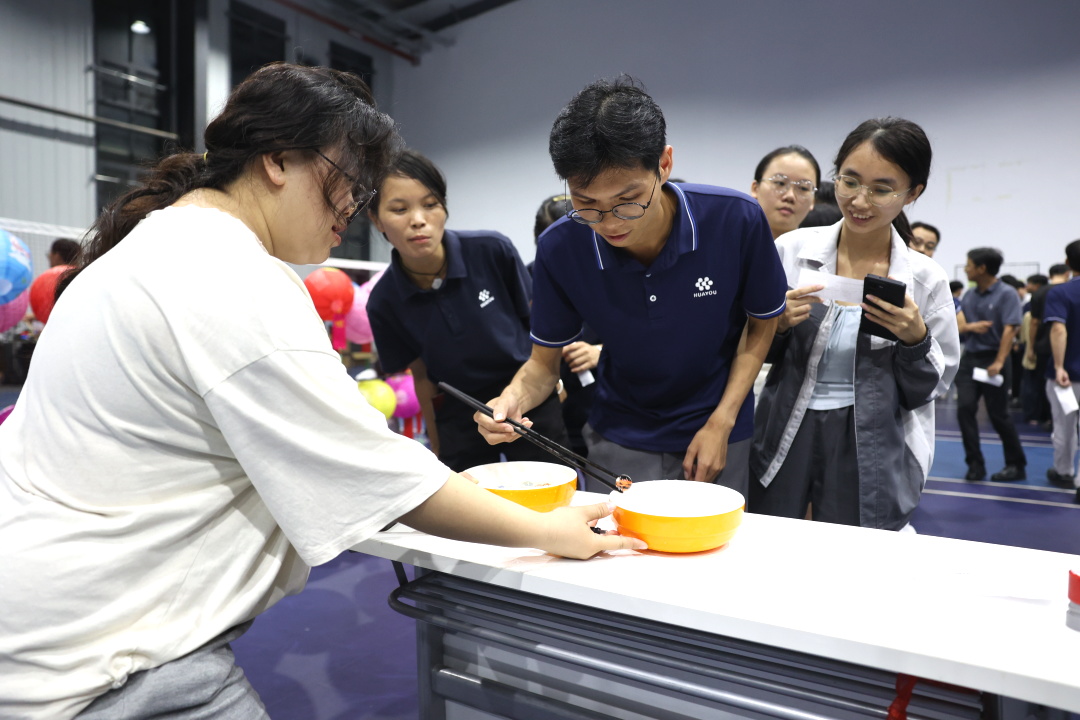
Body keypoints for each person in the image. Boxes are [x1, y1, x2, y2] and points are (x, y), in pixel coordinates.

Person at [0, 63, 641, 720]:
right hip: (101, 655)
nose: (356, 207)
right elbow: (380, 472)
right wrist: (549, 531)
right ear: (279, 160)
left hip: (56, 618)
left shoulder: (156, 246)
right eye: (354, 184)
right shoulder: (229, 277)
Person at [475, 76, 788, 496]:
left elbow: (761, 324)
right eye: (587, 203)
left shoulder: (735, 220)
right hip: (620, 433)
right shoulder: (561, 247)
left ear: (664, 164)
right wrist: (511, 399)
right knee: (618, 536)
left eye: (627, 201)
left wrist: (723, 421)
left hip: (719, 427)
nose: (609, 223)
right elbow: (542, 367)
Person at [750, 117, 960, 531]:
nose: (860, 201)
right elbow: (754, 349)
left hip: (870, 436)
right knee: (771, 534)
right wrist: (780, 325)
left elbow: (931, 388)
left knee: (855, 546)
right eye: (849, 182)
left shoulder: (924, 280)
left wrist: (915, 339)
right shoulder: (790, 251)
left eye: (881, 189)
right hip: (785, 423)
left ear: (913, 193)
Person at [365, 150, 570, 473]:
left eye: (430, 204)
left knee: (549, 488)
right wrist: (436, 447)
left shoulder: (493, 250)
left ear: (444, 208)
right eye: (399, 209)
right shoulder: (383, 300)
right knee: (470, 498)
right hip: (460, 413)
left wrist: (553, 384)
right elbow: (422, 378)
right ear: (376, 219)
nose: (418, 219)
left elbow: (537, 326)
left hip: (526, 395)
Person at [531, 193, 602, 458]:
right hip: (551, 401)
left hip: (601, 398)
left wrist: (600, 352)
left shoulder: (609, 272)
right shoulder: (531, 277)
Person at [955, 247, 1027, 481]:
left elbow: (1010, 329)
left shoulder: (1007, 294)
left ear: (981, 268)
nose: (966, 269)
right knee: (965, 409)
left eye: (969, 265)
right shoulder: (969, 295)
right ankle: (975, 464)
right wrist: (969, 327)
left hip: (994, 359)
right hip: (970, 359)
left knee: (998, 415)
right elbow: (961, 324)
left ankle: (1016, 465)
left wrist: (999, 361)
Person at [1042, 239, 1080, 501]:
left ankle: (1064, 471)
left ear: (1067, 263)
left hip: (1068, 376)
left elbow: (1058, 328)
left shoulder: (1061, 292)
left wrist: (1058, 366)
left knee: (1064, 428)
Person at [1027, 263, 1069, 428]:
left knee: (1044, 383)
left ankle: (1047, 418)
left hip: (1044, 345)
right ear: (1067, 273)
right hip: (1068, 346)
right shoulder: (1070, 290)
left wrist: (1031, 347)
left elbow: (1034, 322)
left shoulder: (1040, 292)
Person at [748, 145, 820, 239]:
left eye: (803, 188)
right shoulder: (732, 240)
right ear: (755, 189)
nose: (790, 196)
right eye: (780, 183)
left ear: (813, 201)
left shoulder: (819, 247)